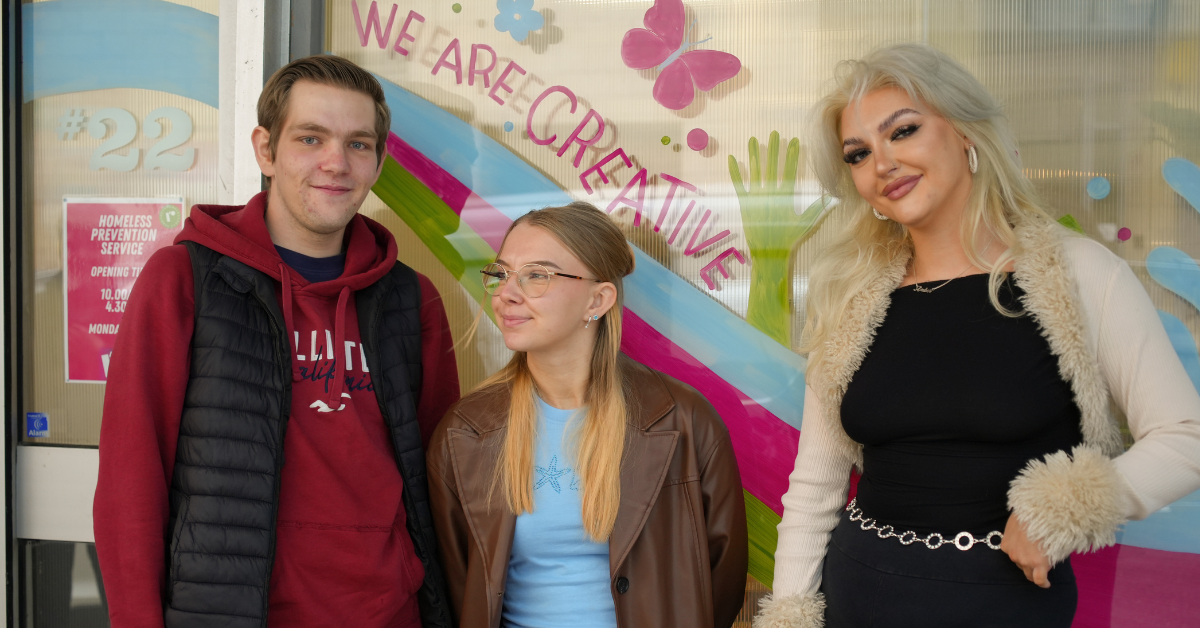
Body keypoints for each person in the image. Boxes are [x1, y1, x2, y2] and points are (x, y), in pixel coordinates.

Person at [755, 44, 1200, 628]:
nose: (882, 163)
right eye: (858, 154)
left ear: (966, 133)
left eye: (903, 131)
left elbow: (1185, 437)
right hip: (855, 595)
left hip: (1003, 605)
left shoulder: (1079, 274)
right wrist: (790, 613)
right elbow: (815, 485)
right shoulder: (850, 298)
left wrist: (1059, 511)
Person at [93, 55, 460, 628]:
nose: (336, 162)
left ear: (378, 162)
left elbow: (438, 481)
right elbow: (131, 477)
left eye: (359, 144)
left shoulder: (412, 299)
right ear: (265, 150)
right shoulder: (185, 280)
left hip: (390, 612)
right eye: (310, 138)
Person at [426, 202, 749, 628]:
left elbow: (721, 580)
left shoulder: (684, 421)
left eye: (536, 275)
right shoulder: (465, 432)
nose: (506, 293)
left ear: (598, 300)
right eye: (502, 273)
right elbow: (458, 585)